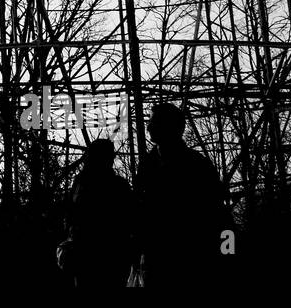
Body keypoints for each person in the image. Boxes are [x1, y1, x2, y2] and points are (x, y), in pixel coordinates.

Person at [135, 103, 226, 289]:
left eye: (154, 122)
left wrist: (228, 255)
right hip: (157, 260)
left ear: (171, 127)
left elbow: (219, 216)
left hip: (190, 261)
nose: (149, 126)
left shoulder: (197, 166)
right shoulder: (148, 165)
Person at [62, 138, 136, 288]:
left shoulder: (81, 183)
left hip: (85, 254)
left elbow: (71, 214)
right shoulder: (119, 186)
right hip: (112, 255)